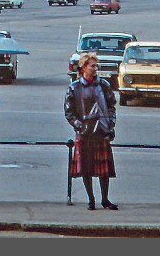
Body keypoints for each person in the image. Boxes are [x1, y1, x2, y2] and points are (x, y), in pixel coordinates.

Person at [65, 51, 118, 211]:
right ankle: (91, 200)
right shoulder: (74, 87)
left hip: (102, 131)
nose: (95, 69)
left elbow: (112, 106)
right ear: (83, 68)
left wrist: (110, 124)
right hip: (85, 133)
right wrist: (80, 126)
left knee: (104, 170)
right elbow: (69, 112)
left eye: (96, 66)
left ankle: (105, 199)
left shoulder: (104, 85)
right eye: (92, 66)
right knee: (86, 169)